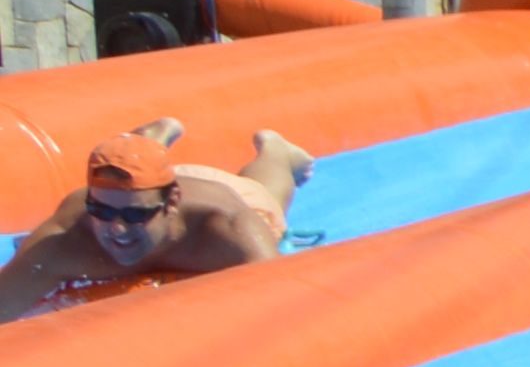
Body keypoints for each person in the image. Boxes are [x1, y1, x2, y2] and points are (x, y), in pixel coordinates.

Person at [9, 115, 308, 311]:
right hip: (148, 188)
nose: (117, 229)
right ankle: (147, 143)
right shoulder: (63, 240)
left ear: (172, 202)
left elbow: (279, 311)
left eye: (135, 217)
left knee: (266, 194)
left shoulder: (228, 227)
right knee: (131, 184)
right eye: (100, 211)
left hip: (222, 192)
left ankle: (276, 151)